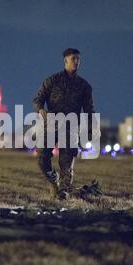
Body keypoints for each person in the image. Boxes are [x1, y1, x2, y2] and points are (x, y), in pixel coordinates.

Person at [32, 48, 95, 199]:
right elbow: (38, 98)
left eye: (78, 59)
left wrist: (90, 129)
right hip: (52, 125)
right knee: (42, 158)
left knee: (66, 165)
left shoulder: (84, 86)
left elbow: (89, 110)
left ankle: (63, 193)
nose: (77, 61)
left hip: (71, 128)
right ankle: (54, 181)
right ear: (65, 61)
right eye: (73, 58)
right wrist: (40, 109)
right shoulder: (52, 81)